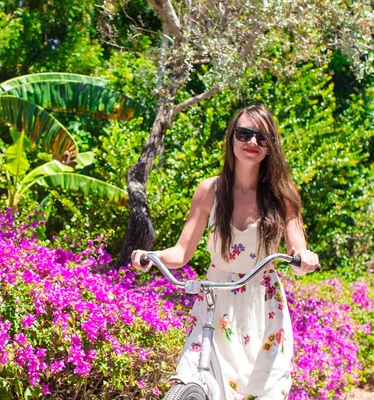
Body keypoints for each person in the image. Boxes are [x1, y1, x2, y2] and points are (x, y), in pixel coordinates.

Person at [131, 104, 320, 400]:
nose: (252, 142)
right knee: (193, 375)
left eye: (262, 137)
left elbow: (297, 252)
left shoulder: (283, 196)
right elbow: (182, 253)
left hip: (263, 306)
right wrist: (150, 256)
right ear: (231, 139)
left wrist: (306, 259)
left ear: (271, 147)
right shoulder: (211, 191)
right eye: (244, 134)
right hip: (215, 302)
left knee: (260, 390)